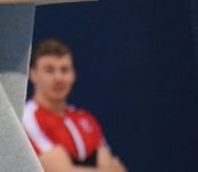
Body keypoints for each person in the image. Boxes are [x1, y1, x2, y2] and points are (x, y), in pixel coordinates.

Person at [24, 38, 127, 172]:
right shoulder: (28, 118)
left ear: (73, 74)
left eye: (64, 70)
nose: (58, 78)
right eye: (49, 70)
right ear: (33, 74)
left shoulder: (86, 118)